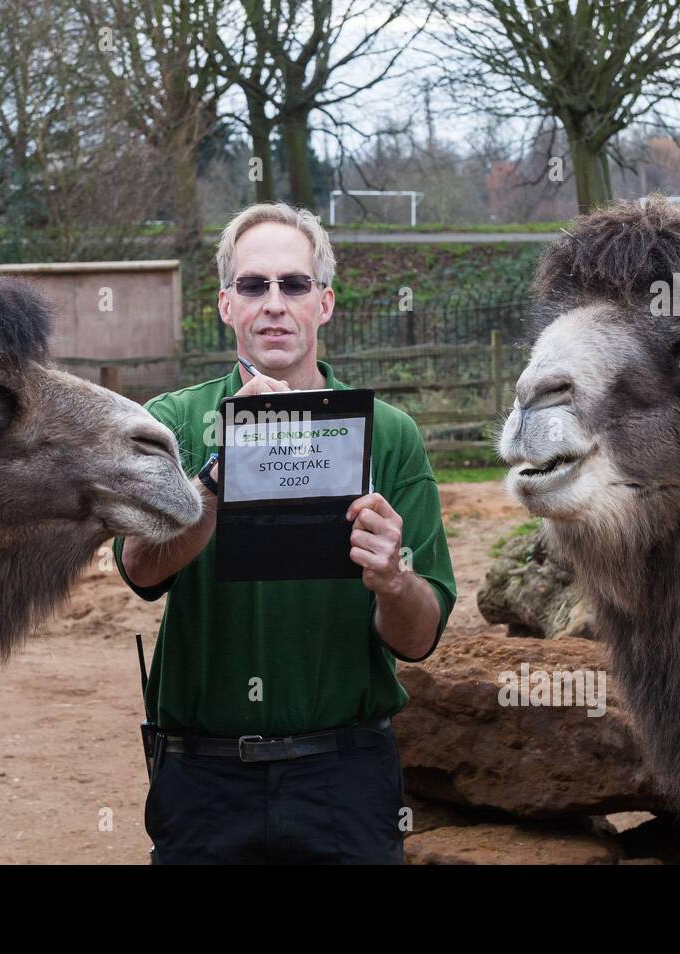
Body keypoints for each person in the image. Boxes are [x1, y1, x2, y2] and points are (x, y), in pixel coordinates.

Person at [113, 202, 456, 864]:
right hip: (203, 779)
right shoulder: (171, 423)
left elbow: (419, 638)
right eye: (253, 285)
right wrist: (216, 477)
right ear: (224, 304)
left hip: (344, 777)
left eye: (294, 285)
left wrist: (394, 580)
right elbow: (140, 568)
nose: (274, 303)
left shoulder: (389, 434)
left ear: (324, 303)